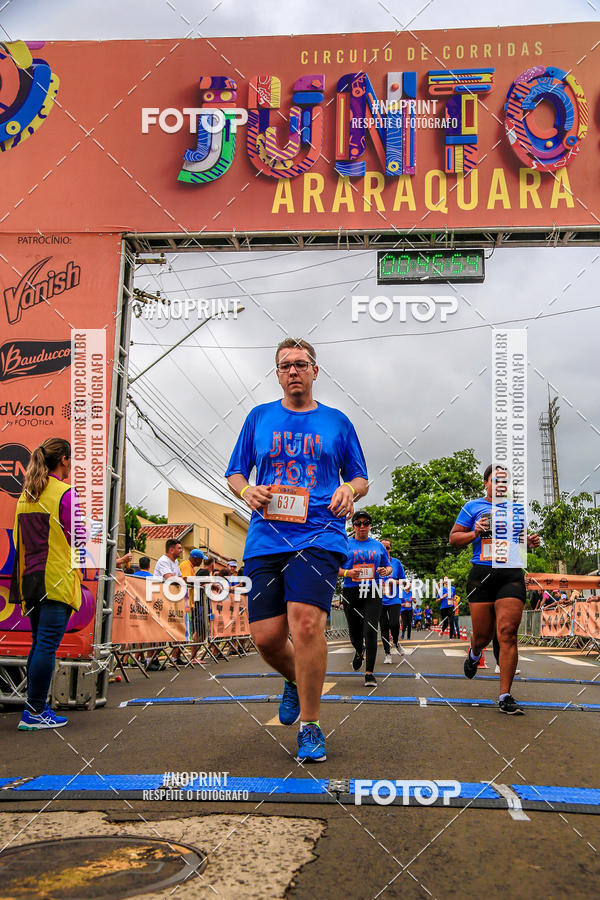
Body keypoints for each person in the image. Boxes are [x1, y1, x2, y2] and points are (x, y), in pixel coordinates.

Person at [226, 337, 368, 763]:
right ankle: (293, 678)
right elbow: (235, 472)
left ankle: (310, 725)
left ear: (315, 371)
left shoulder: (337, 422)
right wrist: (247, 489)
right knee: (267, 638)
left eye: (301, 364)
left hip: (320, 534)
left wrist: (347, 489)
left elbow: (360, 477)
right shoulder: (259, 418)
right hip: (266, 536)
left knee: (305, 625)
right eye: (285, 365)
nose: (293, 371)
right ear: (277, 373)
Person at [449, 464, 540, 715]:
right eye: (495, 480)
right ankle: (475, 652)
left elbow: (519, 541)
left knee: (508, 633)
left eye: (504, 481)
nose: (500, 485)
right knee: (483, 635)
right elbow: (454, 538)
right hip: (482, 575)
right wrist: (474, 532)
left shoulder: (517, 510)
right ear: (486, 483)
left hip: (510, 575)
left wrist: (529, 543)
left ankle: (505, 695)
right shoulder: (472, 507)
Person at [11, 438, 84, 730]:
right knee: (46, 646)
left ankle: (35, 707)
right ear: (64, 460)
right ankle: (35, 711)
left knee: (38, 645)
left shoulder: (25, 495)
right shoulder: (66, 494)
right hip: (56, 579)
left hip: (30, 579)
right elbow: (79, 540)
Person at [341, 512, 392, 683]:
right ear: (353, 525)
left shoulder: (378, 546)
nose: (362, 527)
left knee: (370, 629)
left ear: (370, 525)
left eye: (366, 523)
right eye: (358, 523)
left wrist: (385, 571)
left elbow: (388, 567)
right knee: (354, 632)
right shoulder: (345, 543)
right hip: (351, 590)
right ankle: (358, 650)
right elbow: (334, 567)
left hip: (373, 590)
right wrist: (348, 572)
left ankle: (369, 673)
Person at [152, 539, 185, 666]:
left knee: (172, 628)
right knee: (158, 629)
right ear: (171, 550)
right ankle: (151, 659)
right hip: (159, 598)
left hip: (171, 599)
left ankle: (175, 656)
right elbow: (171, 578)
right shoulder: (163, 561)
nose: (181, 551)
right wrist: (179, 581)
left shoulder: (175, 561)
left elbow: (180, 578)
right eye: (179, 548)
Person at [378, 538, 405, 663]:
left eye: (387, 547)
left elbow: (404, 581)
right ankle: (387, 653)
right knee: (383, 626)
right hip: (379, 599)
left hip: (394, 598)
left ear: (390, 549)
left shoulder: (396, 563)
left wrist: (395, 581)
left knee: (394, 623)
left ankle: (396, 642)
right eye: (382, 547)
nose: (385, 550)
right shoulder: (375, 563)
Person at [180, 549, 208, 657]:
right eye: (201, 559)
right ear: (196, 558)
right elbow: (186, 580)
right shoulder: (186, 565)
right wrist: (203, 582)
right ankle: (193, 656)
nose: (201, 562)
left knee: (193, 631)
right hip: (185, 602)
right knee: (192, 631)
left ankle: (179, 656)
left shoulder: (190, 567)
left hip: (189, 603)